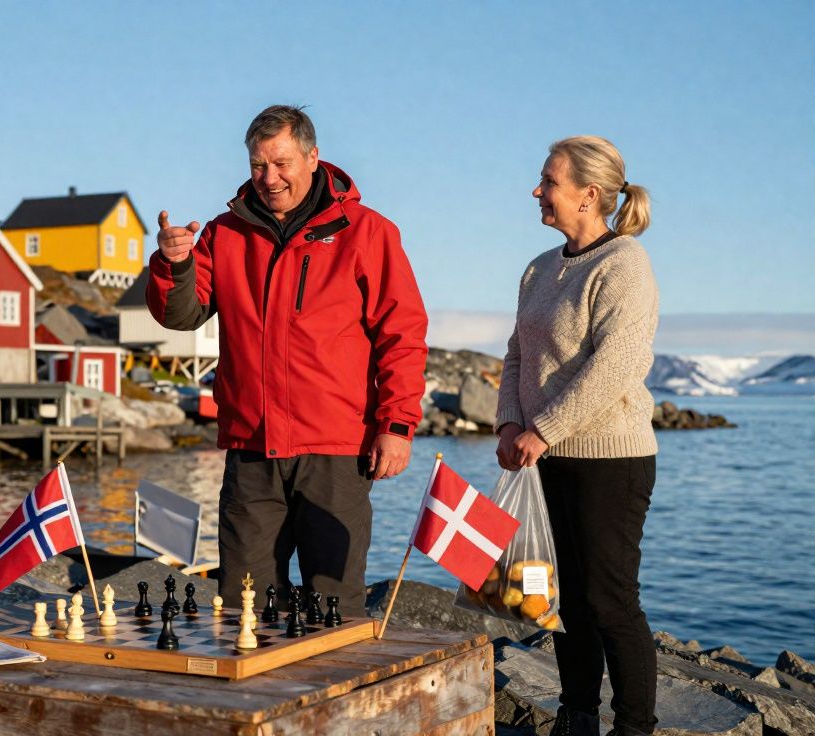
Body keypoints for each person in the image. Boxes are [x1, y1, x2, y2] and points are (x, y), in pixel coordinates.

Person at [146, 105, 428, 619]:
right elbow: (179, 315)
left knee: (334, 603)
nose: (269, 178)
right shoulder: (224, 232)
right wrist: (174, 263)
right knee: (244, 605)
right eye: (258, 165)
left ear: (313, 157)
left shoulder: (367, 232)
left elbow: (402, 335)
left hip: (336, 450)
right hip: (251, 447)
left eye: (281, 164)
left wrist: (397, 425)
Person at [496, 136, 659, 736]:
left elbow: (616, 365)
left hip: (610, 460)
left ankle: (635, 727)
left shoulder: (625, 264)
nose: (537, 191)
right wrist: (509, 423)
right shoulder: (539, 268)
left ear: (588, 194)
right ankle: (578, 715)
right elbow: (517, 354)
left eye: (549, 181)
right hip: (543, 457)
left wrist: (543, 428)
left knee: (609, 600)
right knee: (561, 597)